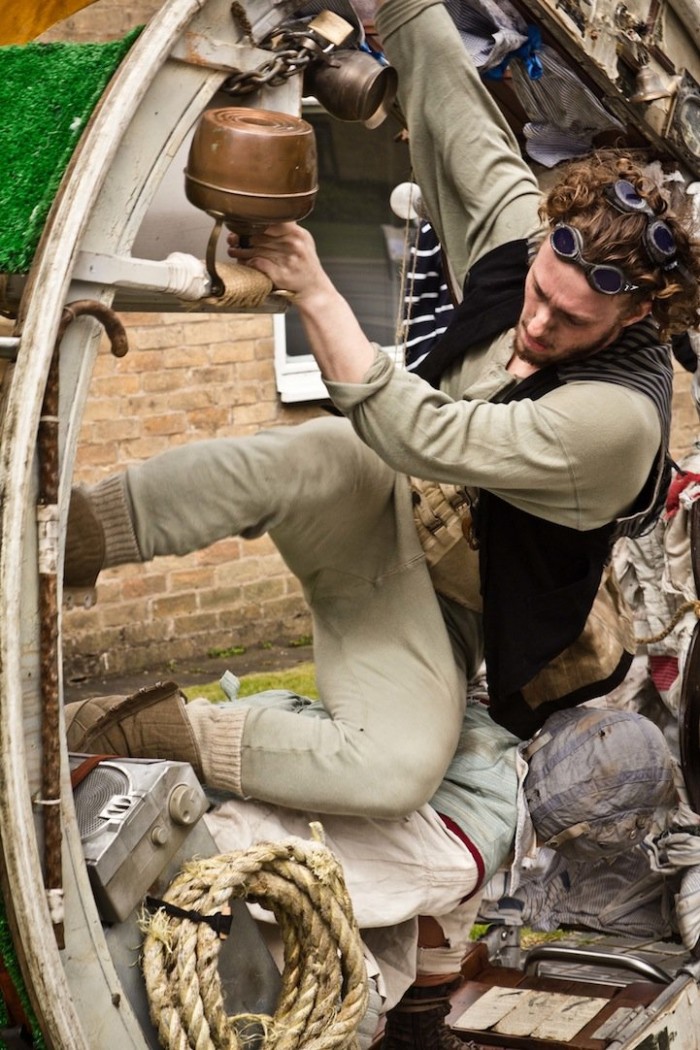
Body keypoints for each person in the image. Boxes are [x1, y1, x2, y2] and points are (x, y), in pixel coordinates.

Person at [63, 0, 700, 1043]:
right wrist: (392, 14)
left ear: (633, 318)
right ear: (545, 236)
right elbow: (450, 100)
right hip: (376, 522)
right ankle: (63, 535)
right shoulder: (522, 244)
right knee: (322, 454)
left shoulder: (614, 425)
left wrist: (311, 287)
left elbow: (419, 434)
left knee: (397, 763)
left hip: (440, 623)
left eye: (572, 321)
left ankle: (166, 733)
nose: (536, 322)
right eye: (538, 290)